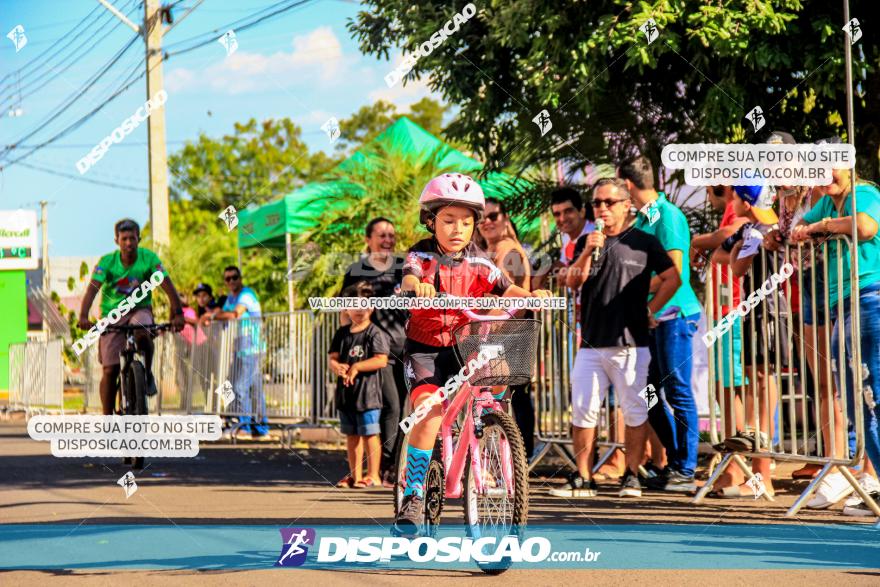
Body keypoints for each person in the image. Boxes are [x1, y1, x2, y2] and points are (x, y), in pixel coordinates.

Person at [393, 173, 551, 537]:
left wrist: (531, 297)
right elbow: (410, 277)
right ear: (431, 221)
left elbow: (506, 286)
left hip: (465, 343)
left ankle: (488, 439)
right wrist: (416, 288)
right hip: (426, 351)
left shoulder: (480, 260)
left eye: (466, 222)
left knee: (497, 376)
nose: (458, 229)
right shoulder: (421, 255)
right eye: (448, 221)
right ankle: (414, 494)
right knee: (430, 412)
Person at [553, 177, 681, 499]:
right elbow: (572, 282)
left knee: (635, 411)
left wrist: (651, 309)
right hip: (591, 342)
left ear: (627, 205)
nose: (602, 208)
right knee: (583, 411)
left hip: (631, 344)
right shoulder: (587, 242)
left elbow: (673, 278)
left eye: (609, 202)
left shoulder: (643, 242)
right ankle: (583, 478)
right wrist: (586, 253)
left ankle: (631, 475)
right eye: (597, 202)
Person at [792, 165, 880, 516]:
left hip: (869, 300)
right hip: (842, 307)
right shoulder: (827, 203)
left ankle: (872, 481)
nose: (823, 173)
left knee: (873, 398)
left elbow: (865, 227)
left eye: (830, 164)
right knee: (859, 403)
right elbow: (796, 229)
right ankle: (873, 482)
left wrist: (820, 229)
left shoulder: (866, 194)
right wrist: (792, 232)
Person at [618, 155, 703, 492]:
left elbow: (676, 273)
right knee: (648, 391)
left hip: (675, 314)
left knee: (678, 389)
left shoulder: (667, 215)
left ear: (626, 185)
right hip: (652, 318)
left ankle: (687, 468)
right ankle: (675, 459)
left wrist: (637, 292)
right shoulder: (644, 218)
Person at [78, 219, 185, 421]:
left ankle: (146, 374)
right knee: (110, 369)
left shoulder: (149, 258)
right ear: (117, 240)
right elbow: (93, 288)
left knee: (143, 330)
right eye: (124, 238)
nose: (129, 243)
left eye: (132, 238)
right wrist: (84, 315)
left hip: (139, 309)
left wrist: (177, 311)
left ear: (139, 239)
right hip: (113, 314)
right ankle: (107, 418)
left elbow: (167, 284)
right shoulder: (107, 262)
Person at [718, 184, 787, 498]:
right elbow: (722, 251)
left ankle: (763, 474)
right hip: (751, 311)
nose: (730, 202)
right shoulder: (753, 229)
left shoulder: (763, 230)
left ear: (746, 200)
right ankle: (757, 473)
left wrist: (739, 246)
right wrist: (737, 243)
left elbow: (736, 266)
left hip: (768, 311)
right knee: (754, 378)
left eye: (734, 197)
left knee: (762, 378)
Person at [340, 217, 408, 487]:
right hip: (377, 351)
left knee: (405, 410)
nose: (388, 240)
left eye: (391, 235)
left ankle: (394, 465)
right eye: (382, 235)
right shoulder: (357, 270)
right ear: (368, 239)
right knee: (390, 406)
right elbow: (344, 311)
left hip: (409, 346)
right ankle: (386, 466)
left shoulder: (404, 268)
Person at [692, 184, 749, 494]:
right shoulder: (732, 206)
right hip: (722, 309)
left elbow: (733, 232)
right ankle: (732, 465)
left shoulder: (740, 205)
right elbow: (723, 243)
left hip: (734, 308)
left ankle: (735, 470)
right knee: (722, 387)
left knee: (729, 389)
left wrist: (698, 241)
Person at [477, 197, 536, 460]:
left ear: (506, 218)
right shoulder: (487, 250)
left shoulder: (508, 249)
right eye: (481, 218)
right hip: (499, 333)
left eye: (493, 216)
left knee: (504, 401)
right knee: (504, 401)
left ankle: (513, 462)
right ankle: (511, 461)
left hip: (506, 333)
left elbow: (502, 298)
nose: (486, 222)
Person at [330, 281, 390, 489]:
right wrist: (337, 367)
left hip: (369, 395)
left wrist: (356, 368)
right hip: (347, 395)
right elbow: (333, 358)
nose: (359, 310)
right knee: (352, 435)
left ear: (371, 307)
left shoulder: (375, 333)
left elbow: (381, 359)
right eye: (354, 305)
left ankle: (373, 475)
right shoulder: (342, 333)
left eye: (364, 305)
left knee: (370, 434)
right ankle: (355, 477)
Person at [204, 266, 268, 440]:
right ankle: (258, 427)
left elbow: (233, 314)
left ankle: (246, 426)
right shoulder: (231, 297)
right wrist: (214, 314)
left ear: (240, 278)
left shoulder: (246, 295)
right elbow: (221, 311)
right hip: (240, 349)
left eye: (234, 277)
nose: (231, 281)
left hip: (252, 348)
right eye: (228, 279)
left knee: (240, 387)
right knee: (232, 386)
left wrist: (213, 317)